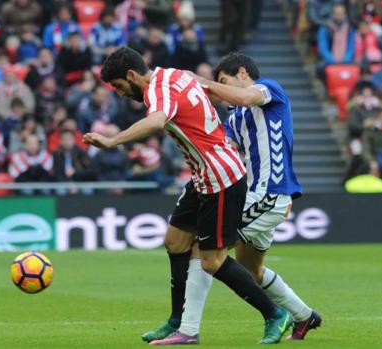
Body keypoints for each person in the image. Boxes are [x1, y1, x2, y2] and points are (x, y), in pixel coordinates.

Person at [83, 47, 292, 344]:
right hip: (204, 174)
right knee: (175, 240)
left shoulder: (157, 92)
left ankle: (274, 314)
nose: (119, 93)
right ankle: (177, 321)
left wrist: (112, 140)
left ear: (132, 75)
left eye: (119, 86)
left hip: (220, 178)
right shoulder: (174, 74)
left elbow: (156, 121)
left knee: (212, 261)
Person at [148, 53, 322, 345]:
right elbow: (222, 149)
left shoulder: (269, 89)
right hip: (253, 196)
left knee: (204, 249)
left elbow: (246, 98)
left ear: (242, 73)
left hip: (268, 194)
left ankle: (188, 329)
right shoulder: (235, 118)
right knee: (251, 270)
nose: (220, 90)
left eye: (224, 82)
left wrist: (203, 82)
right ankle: (304, 315)